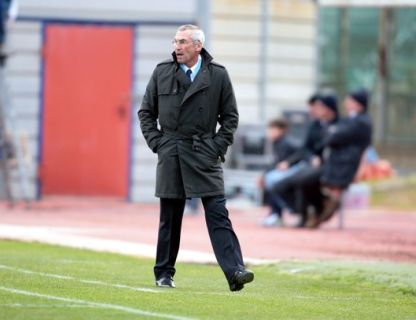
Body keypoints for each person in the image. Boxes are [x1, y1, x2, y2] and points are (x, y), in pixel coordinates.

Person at [138, 24, 253, 291]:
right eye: (176, 41)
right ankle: (163, 274)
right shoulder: (161, 72)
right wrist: (158, 143)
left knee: (218, 214)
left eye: (183, 42)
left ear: (198, 46)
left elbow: (230, 118)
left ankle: (235, 272)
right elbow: (146, 113)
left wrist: (216, 147)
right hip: (172, 152)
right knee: (170, 217)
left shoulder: (218, 75)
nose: (177, 47)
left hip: (204, 153)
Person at [271, 93, 339, 227]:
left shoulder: (339, 126)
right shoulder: (314, 125)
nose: (314, 110)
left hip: (329, 166)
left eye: (318, 107)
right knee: (279, 185)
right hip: (311, 165)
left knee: (301, 180)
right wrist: (312, 157)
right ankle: (307, 211)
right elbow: (305, 149)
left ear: (328, 108)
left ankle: (314, 210)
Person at [310, 89, 373, 227]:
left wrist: (331, 135)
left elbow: (335, 137)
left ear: (358, 104)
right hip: (338, 161)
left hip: (345, 163)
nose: (346, 103)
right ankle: (323, 207)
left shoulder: (361, 121)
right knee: (311, 180)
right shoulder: (352, 119)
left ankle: (327, 205)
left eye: (350, 100)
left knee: (314, 180)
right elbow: (331, 136)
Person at [260, 118, 297, 227]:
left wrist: (288, 163)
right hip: (284, 172)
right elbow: (276, 163)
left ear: (281, 130)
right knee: (269, 178)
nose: (269, 132)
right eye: (269, 129)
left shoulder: (286, 143)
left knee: (271, 180)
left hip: (294, 172)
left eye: (273, 129)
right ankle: (275, 214)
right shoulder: (277, 143)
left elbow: (299, 155)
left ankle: (278, 213)